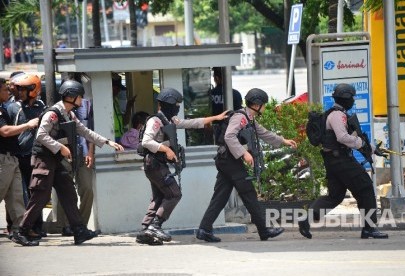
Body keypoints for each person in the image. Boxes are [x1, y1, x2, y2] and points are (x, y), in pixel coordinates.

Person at [11, 80, 124, 246]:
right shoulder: (53, 114)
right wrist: (61, 148)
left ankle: (79, 230)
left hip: (55, 160)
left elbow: (84, 131)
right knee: (40, 196)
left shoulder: (68, 114)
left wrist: (107, 142)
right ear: (71, 97)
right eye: (79, 96)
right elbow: (41, 135)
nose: (81, 99)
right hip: (44, 159)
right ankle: (21, 231)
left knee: (68, 192)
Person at [196, 88, 297, 242]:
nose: (264, 107)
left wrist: (283, 141)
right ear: (256, 105)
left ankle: (204, 229)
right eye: (263, 104)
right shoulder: (241, 118)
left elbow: (263, 133)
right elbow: (229, 136)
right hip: (230, 160)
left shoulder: (248, 118)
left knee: (220, 196)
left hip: (226, 160)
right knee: (248, 192)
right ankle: (264, 230)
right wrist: (244, 153)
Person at [136, 88, 228, 245]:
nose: (178, 108)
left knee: (159, 197)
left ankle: (146, 230)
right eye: (176, 104)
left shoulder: (169, 120)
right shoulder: (156, 121)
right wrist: (166, 149)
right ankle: (155, 225)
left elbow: (191, 123)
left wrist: (215, 117)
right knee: (174, 194)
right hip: (154, 163)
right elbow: (146, 142)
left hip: (156, 164)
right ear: (168, 104)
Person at [298, 83, 388, 240]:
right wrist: (362, 144)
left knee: (335, 196)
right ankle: (370, 229)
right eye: (351, 97)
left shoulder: (333, 113)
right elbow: (343, 137)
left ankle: (306, 220)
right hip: (341, 160)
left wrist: (372, 148)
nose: (353, 100)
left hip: (333, 161)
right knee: (365, 188)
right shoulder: (338, 115)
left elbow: (351, 138)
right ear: (346, 98)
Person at [7, 73, 47, 239]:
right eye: (19, 89)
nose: (20, 92)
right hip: (18, 157)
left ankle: (36, 227)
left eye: (23, 89)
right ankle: (15, 228)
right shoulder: (12, 108)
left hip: (37, 156)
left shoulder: (42, 108)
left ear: (33, 89)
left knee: (35, 194)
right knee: (17, 194)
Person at [0, 78, 39, 241]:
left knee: (16, 197)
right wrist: (28, 125)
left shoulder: (4, 108)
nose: (7, 92)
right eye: (3, 89)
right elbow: (5, 131)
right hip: (3, 159)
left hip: (12, 158)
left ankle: (19, 231)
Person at [55, 93, 97, 236]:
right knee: (66, 191)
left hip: (84, 154)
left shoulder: (87, 106)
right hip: (67, 155)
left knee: (87, 189)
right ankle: (66, 226)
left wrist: (90, 152)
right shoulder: (59, 108)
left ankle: (80, 226)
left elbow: (89, 130)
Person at [112, 74, 136, 143]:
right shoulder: (106, 102)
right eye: (117, 88)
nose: (119, 91)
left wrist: (129, 106)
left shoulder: (115, 100)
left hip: (119, 136)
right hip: (111, 137)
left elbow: (125, 122)